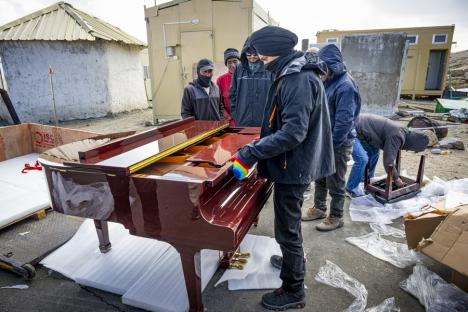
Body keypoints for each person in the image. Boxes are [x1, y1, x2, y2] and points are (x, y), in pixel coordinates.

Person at [231, 26, 334, 310]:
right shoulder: (296, 70)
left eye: (262, 57)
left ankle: (293, 289)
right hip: (298, 162)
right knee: (288, 225)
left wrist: (252, 151)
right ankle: (293, 261)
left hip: (295, 166)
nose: (260, 61)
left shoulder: (296, 78)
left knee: (286, 229)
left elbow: (292, 133)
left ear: (273, 51)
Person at [302, 44, 361, 232]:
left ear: (333, 66)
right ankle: (319, 208)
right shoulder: (328, 81)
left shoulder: (345, 86)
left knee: (335, 180)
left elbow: (344, 122)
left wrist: (331, 146)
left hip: (338, 143)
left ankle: (336, 216)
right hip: (324, 139)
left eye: (324, 68)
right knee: (319, 175)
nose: (321, 72)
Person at [345, 113, 437, 193]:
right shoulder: (397, 136)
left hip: (363, 130)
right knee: (362, 159)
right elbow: (388, 161)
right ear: (414, 144)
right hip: (350, 128)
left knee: (374, 152)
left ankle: (366, 180)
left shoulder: (403, 132)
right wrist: (396, 179)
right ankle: (350, 189)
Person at [229, 37, 274, 126]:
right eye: (249, 54)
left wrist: (271, 117)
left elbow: (274, 95)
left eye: (255, 54)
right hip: (242, 120)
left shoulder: (269, 69)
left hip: (263, 121)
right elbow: (232, 93)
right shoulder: (239, 69)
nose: (252, 57)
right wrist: (236, 114)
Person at [217, 48, 240, 126]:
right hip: (229, 123)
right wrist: (229, 119)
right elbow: (219, 104)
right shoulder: (221, 80)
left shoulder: (246, 78)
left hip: (246, 121)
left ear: (240, 62)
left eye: (235, 61)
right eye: (229, 62)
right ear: (226, 64)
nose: (232, 65)